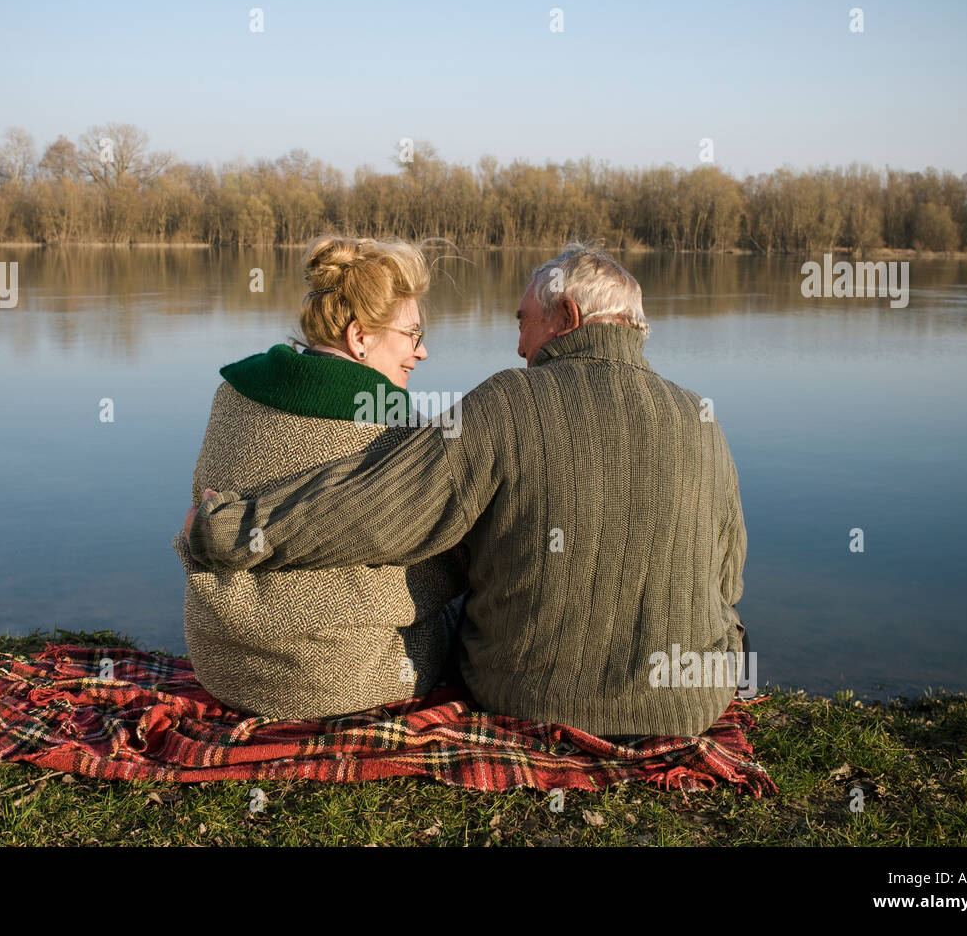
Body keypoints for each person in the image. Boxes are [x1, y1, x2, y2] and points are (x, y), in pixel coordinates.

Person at [184, 243, 748, 738]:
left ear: (568, 317)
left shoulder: (508, 401)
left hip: (527, 698)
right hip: (688, 704)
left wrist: (227, 530)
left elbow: (380, 511)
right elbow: (729, 576)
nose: (520, 346)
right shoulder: (702, 416)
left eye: (523, 320)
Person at [171, 234, 467, 720]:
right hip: (338, 679)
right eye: (412, 335)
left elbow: (200, 507)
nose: (422, 352)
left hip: (221, 663)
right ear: (360, 338)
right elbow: (432, 567)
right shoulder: (389, 419)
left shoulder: (234, 391)